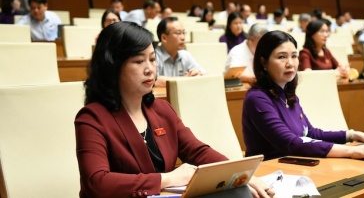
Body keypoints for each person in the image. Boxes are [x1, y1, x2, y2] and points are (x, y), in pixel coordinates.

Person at [75, 21, 273, 198]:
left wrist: (242, 176)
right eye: (138, 61)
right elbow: (97, 182)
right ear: (113, 67)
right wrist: (166, 179)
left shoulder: (161, 109)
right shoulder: (93, 118)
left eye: (152, 59)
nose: (149, 69)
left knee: (238, 191)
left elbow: (197, 151)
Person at [242, 30, 364, 161]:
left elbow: (310, 133)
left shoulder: (287, 94)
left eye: (294, 56)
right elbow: (291, 143)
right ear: (264, 63)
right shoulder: (257, 99)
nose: (290, 63)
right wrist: (351, 151)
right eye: (281, 57)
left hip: (296, 166)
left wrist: (353, 135)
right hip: (269, 175)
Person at [154, 17, 204, 87]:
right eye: (178, 33)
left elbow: (202, 73)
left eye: (183, 33)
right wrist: (184, 79)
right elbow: (154, 80)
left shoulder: (185, 55)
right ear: (164, 38)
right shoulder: (153, 56)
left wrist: (196, 74)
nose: (183, 37)